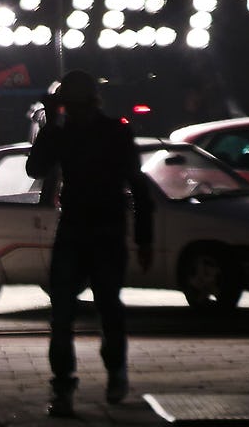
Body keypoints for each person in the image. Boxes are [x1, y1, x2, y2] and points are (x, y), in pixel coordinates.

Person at [25, 69, 154, 418]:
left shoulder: (102, 132)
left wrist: (54, 124)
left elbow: (35, 168)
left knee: (87, 310)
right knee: (91, 309)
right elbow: (35, 168)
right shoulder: (91, 132)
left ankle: (85, 381)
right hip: (96, 228)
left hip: (90, 228)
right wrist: (143, 239)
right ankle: (92, 380)